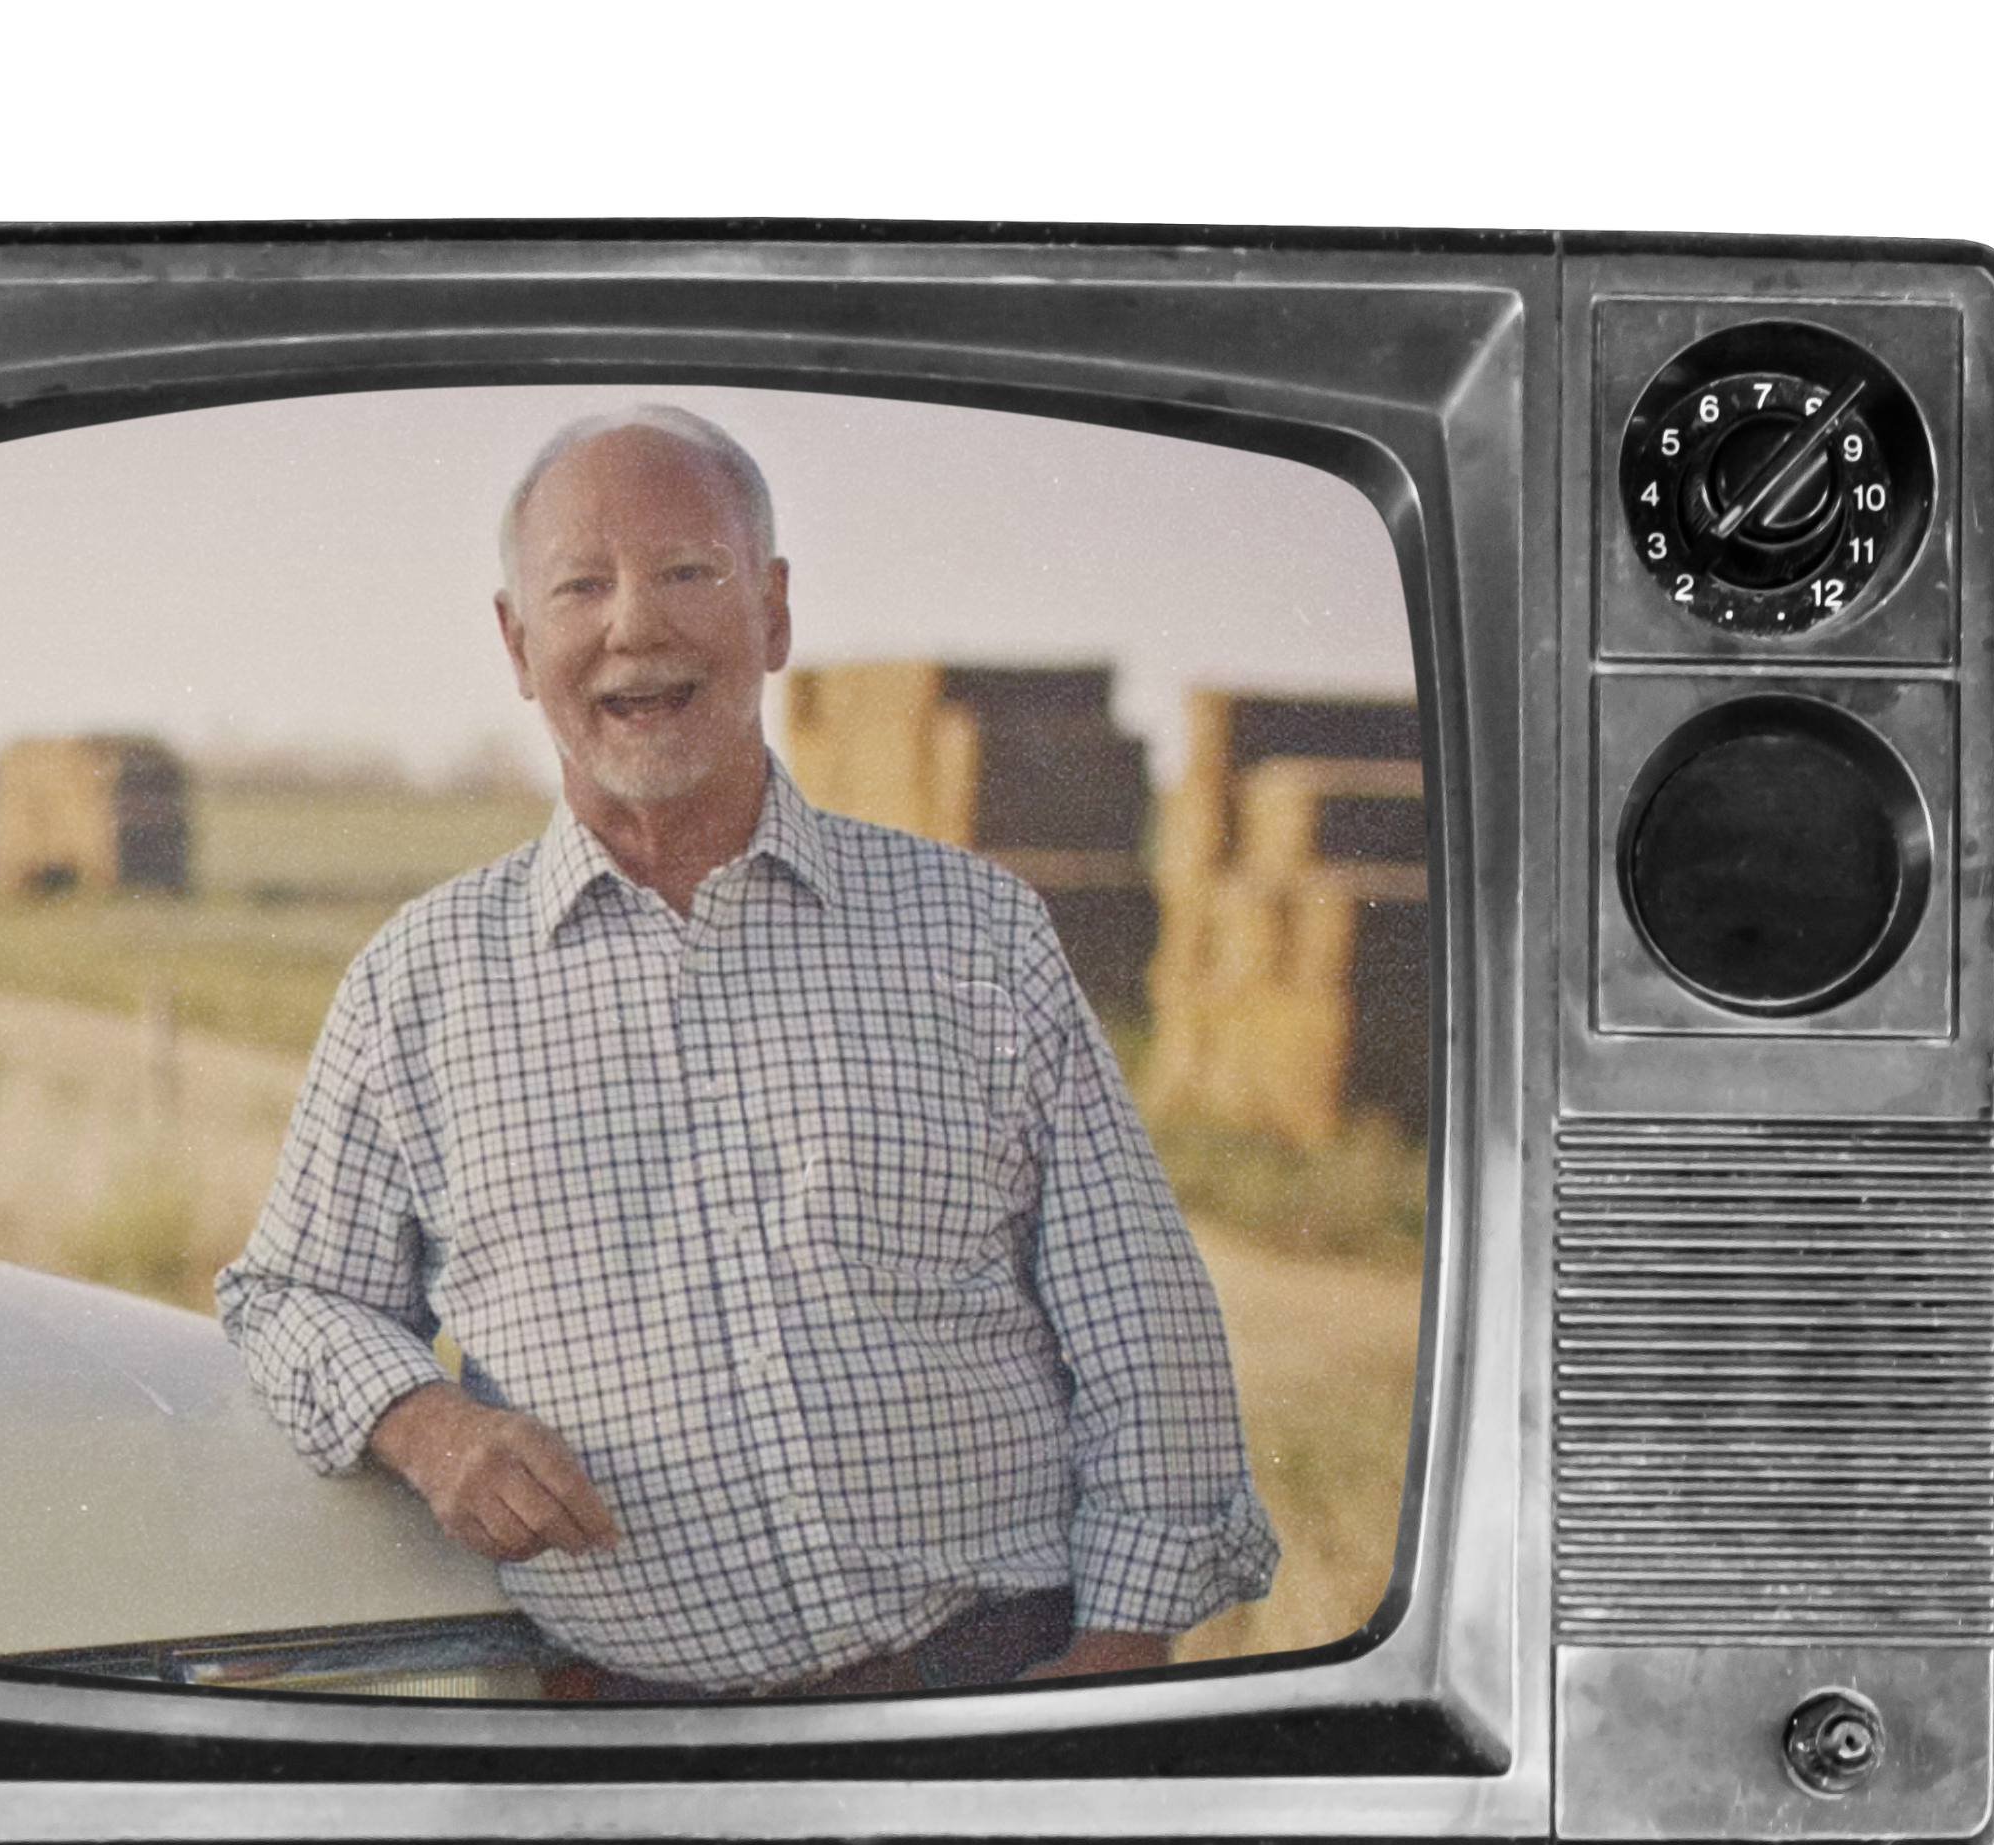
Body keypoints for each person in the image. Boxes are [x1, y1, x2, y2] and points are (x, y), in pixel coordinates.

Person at [216, 407, 1277, 1698]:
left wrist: (1115, 1657)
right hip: (631, 1740)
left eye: (686, 573)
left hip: (992, 1682)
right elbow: (286, 1298)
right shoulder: (415, 986)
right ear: (518, 642)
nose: (634, 627)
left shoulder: (974, 933)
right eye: (581, 588)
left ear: (772, 613)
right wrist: (430, 1427)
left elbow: (1139, 1319)